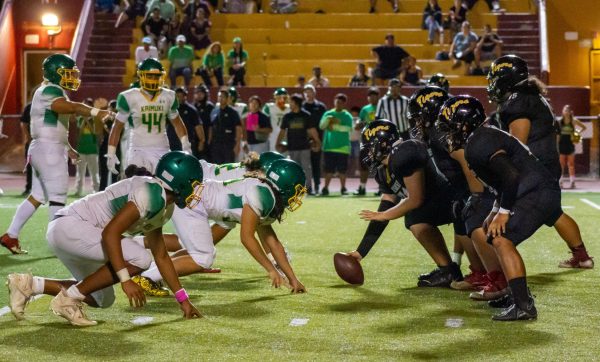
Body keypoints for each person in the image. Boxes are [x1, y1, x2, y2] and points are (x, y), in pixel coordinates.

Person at [6, 152, 203, 326]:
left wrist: (183, 299)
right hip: (71, 227)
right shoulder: (150, 193)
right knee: (141, 258)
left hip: (75, 232)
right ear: (180, 183)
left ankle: (28, 284)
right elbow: (110, 233)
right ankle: (70, 298)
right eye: (194, 184)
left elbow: (161, 255)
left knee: (101, 298)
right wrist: (126, 280)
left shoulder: (164, 205)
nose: (196, 191)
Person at [437, 95, 575, 320]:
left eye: (450, 126)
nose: (448, 132)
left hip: (535, 192)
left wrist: (503, 212)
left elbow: (510, 175)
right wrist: (494, 209)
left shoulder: (479, 142)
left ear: (464, 124)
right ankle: (514, 295)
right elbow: (501, 180)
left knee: (502, 239)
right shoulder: (481, 137)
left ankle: (523, 305)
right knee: (494, 235)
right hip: (533, 189)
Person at [135, 158, 307, 294]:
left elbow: (273, 242)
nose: (297, 197)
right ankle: (148, 277)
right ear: (285, 186)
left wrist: (293, 279)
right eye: (297, 191)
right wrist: (271, 269)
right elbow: (247, 238)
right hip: (192, 200)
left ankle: (150, 271)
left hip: (199, 201)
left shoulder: (268, 195)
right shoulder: (263, 196)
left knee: (202, 250)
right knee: (203, 257)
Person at [487, 54, 593, 269]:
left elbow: (517, 144)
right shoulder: (531, 96)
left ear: (505, 78)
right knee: (553, 212)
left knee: (498, 227)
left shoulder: (518, 101)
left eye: (495, 77)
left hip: (534, 170)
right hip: (546, 164)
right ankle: (582, 257)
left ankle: (497, 276)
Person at [0, 54, 113, 255]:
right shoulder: (51, 90)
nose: (72, 77)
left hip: (44, 147)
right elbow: (67, 107)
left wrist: (68, 147)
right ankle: (60, 243)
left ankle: (11, 235)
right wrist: (97, 112)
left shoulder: (49, 90)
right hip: (49, 150)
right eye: (67, 73)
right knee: (58, 197)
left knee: (37, 196)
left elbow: (52, 125)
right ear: (55, 73)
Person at [411, 88, 506, 299]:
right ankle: (481, 272)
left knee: (473, 223)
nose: (417, 122)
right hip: (463, 188)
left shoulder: (442, 132)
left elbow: (465, 160)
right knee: (462, 222)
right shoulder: (439, 131)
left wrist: (476, 195)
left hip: (475, 187)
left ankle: (496, 278)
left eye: (419, 116)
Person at [345, 120, 463, 287]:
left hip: (455, 200)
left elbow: (415, 199)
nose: (368, 152)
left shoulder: (404, 152)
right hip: (437, 203)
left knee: (415, 215)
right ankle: (448, 270)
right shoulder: (383, 170)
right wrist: (361, 251)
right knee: (415, 219)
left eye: (370, 147)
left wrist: (384, 215)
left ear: (384, 143)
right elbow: (385, 208)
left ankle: (482, 273)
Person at [107, 58, 191, 177]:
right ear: (141, 76)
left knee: (165, 187)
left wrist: (186, 145)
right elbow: (117, 126)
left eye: (156, 76)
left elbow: (177, 123)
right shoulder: (130, 96)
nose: (154, 80)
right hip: (138, 149)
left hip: (162, 148)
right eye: (150, 76)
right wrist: (111, 152)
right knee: (138, 186)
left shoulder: (169, 96)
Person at [277, 94, 321, 193]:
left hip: (304, 147)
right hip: (292, 147)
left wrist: (317, 141)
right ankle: (296, 189)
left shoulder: (306, 115)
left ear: (296, 103)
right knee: (294, 169)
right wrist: (277, 143)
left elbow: (312, 130)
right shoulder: (287, 116)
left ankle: (309, 188)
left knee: (306, 168)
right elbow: (282, 131)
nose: (289, 104)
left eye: (291, 102)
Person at [319, 93, 353, 196]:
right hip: (329, 147)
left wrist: (333, 126)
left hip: (343, 148)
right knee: (328, 170)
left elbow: (347, 128)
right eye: (337, 101)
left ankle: (343, 188)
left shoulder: (347, 116)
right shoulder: (328, 114)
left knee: (342, 171)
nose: (338, 104)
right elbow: (322, 126)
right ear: (334, 101)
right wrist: (328, 119)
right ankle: (325, 188)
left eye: (341, 102)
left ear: (344, 104)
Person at [354, 87, 380, 195]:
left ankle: (381, 188)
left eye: (374, 95)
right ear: (368, 97)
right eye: (370, 95)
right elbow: (358, 124)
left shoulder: (381, 106)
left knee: (380, 165)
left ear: (378, 96)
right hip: (366, 141)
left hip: (379, 141)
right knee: (363, 164)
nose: (372, 97)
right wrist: (361, 123)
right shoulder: (365, 109)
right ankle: (362, 188)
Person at [167, 87, 205, 158]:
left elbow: (198, 126)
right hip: (172, 143)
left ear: (185, 96)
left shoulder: (192, 110)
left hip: (186, 144)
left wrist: (201, 141)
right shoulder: (170, 109)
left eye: (181, 96)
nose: (179, 98)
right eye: (177, 96)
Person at [302, 85, 327, 194]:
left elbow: (324, 123)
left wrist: (318, 140)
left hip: (318, 139)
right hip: (303, 140)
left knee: (316, 163)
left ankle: (317, 186)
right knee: (305, 165)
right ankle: (306, 187)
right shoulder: (301, 106)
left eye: (310, 92)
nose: (308, 94)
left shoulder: (321, 106)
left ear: (314, 93)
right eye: (306, 92)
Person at [74, 98, 100, 196]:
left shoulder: (95, 119)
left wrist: (87, 121)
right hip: (81, 149)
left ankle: (96, 190)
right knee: (80, 172)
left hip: (92, 149)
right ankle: (78, 190)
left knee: (94, 172)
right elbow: (79, 134)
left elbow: (95, 133)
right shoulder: (80, 119)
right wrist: (83, 120)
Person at [209, 88, 242, 163]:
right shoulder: (214, 111)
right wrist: (209, 141)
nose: (221, 98)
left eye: (223, 97)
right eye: (219, 96)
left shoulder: (233, 113)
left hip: (228, 145)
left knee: (228, 167)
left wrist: (237, 145)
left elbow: (238, 128)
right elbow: (211, 127)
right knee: (217, 167)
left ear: (227, 98)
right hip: (216, 145)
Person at [557, 105, 586, 189]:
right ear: (562, 111)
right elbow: (557, 134)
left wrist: (577, 133)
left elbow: (584, 127)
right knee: (561, 164)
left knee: (571, 164)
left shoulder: (574, 121)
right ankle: (560, 182)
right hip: (561, 144)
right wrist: (556, 144)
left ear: (570, 112)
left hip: (570, 144)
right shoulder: (559, 121)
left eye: (568, 110)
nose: (566, 112)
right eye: (565, 110)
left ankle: (572, 182)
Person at [263, 88, 291, 152]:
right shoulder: (269, 107)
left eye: (284, 98)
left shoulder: (290, 108)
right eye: (279, 98)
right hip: (273, 134)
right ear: (275, 98)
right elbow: (263, 121)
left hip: (286, 134)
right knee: (273, 153)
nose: (282, 100)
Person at [193, 84, 215, 161]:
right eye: (197, 93)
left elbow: (211, 126)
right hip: (194, 139)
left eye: (201, 93)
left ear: (205, 94)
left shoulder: (210, 107)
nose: (199, 95)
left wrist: (208, 141)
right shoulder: (193, 107)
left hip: (207, 138)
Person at [20, 102, 33, 196]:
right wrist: (28, 138)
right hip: (32, 141)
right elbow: (24, 123)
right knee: (30, 165)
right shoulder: (29, 107)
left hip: (45, 141)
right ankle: (29, 188)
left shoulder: (48, 105)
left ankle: (46, 189)